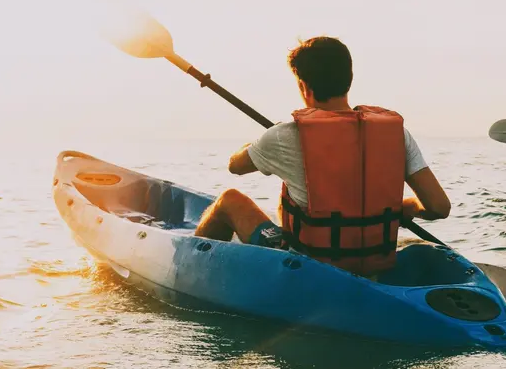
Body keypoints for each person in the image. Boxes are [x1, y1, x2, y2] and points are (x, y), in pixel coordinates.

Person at [193, 36, 451, 277]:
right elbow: (439, 207)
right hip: (372, 264)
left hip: (307, 269)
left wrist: (258, 143)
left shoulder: (283, 136)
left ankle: (192, 270)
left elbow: (235, 166)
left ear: (303, 85)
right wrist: (407, 207)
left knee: (228, 200)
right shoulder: (395, 134)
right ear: (348, 78)